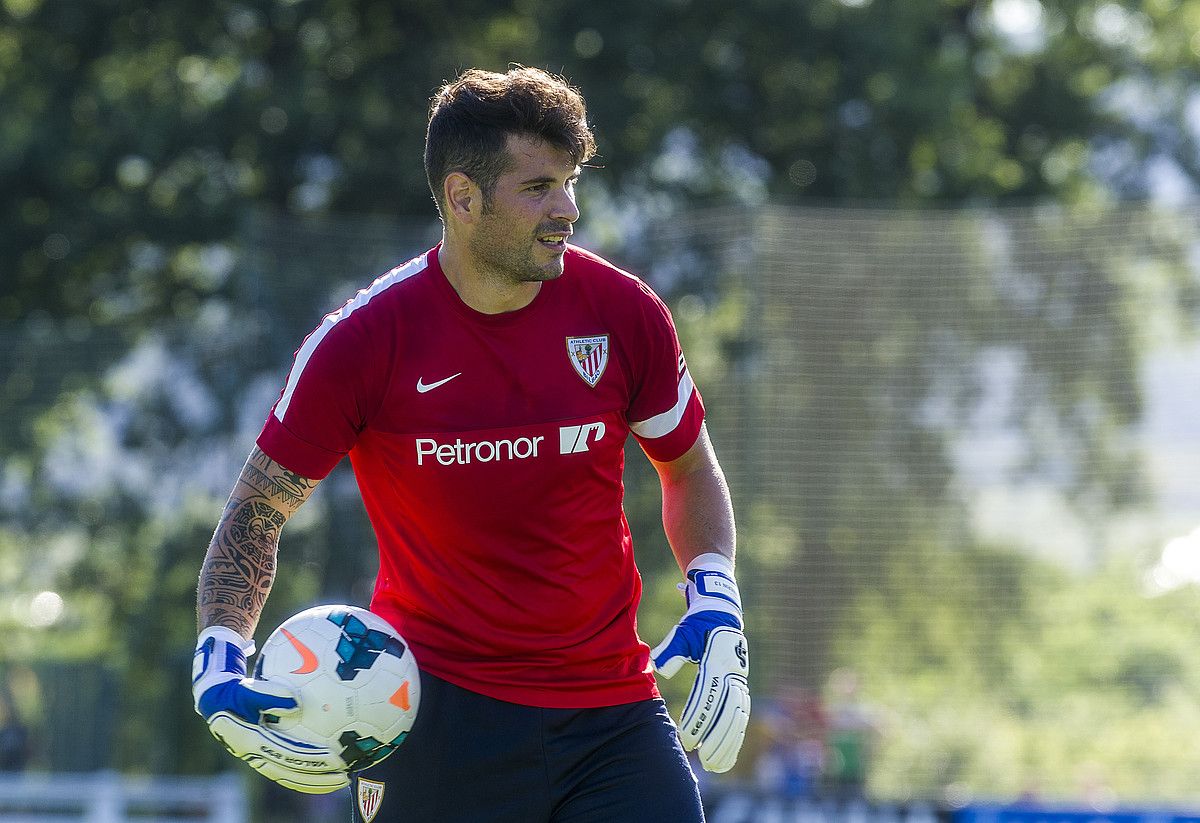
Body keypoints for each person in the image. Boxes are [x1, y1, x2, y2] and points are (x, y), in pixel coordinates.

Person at [190, 65, 750, 822]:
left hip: (612, 710)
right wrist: (219, 657)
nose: (568, 209)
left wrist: (716, 597)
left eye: (572, 181)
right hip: (434, 718)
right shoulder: (363, 342)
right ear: (462, 197)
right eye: (539, 187)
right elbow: (257, 509)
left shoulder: (624, 313)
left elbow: (687, 467)